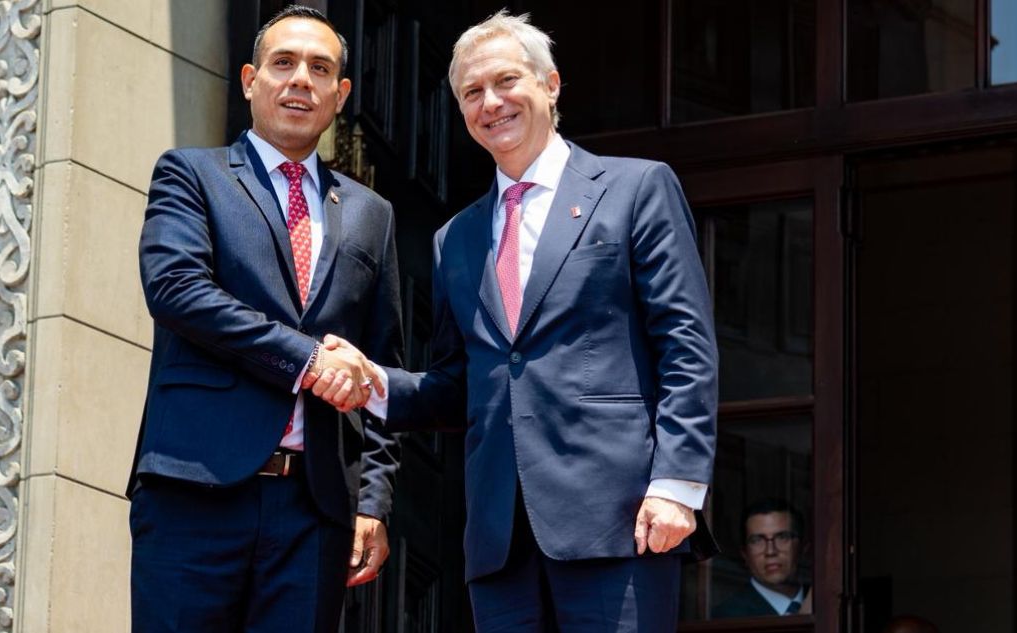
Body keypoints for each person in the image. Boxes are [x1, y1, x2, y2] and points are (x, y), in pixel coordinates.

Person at [311, 10, 719, 631]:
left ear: (550, 85)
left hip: (620, 520)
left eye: (506, 81)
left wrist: (677, 484)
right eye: (472, 92)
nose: (491, 103)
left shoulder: (636, 188)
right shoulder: (456, 237)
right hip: (500, 542)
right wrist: (376, 383)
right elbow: (461, 384)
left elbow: (686, 345)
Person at [127, 6, 402, 632]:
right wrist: (308, 359)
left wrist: (373, 500)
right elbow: (176, 289)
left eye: (320, 69)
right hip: (194, 490)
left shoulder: (372, 214)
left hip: (314, 509)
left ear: (341, 95)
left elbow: (381, 365)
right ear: (250, 81)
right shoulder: (191, 174)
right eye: (284, 63)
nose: (301, 79)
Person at [713, 499, 811, 618]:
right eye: (757, 540)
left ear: (803, 547)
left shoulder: (822, 600)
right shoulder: (726, 617)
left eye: (782, 537)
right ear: (744, 554)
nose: (770, 551)